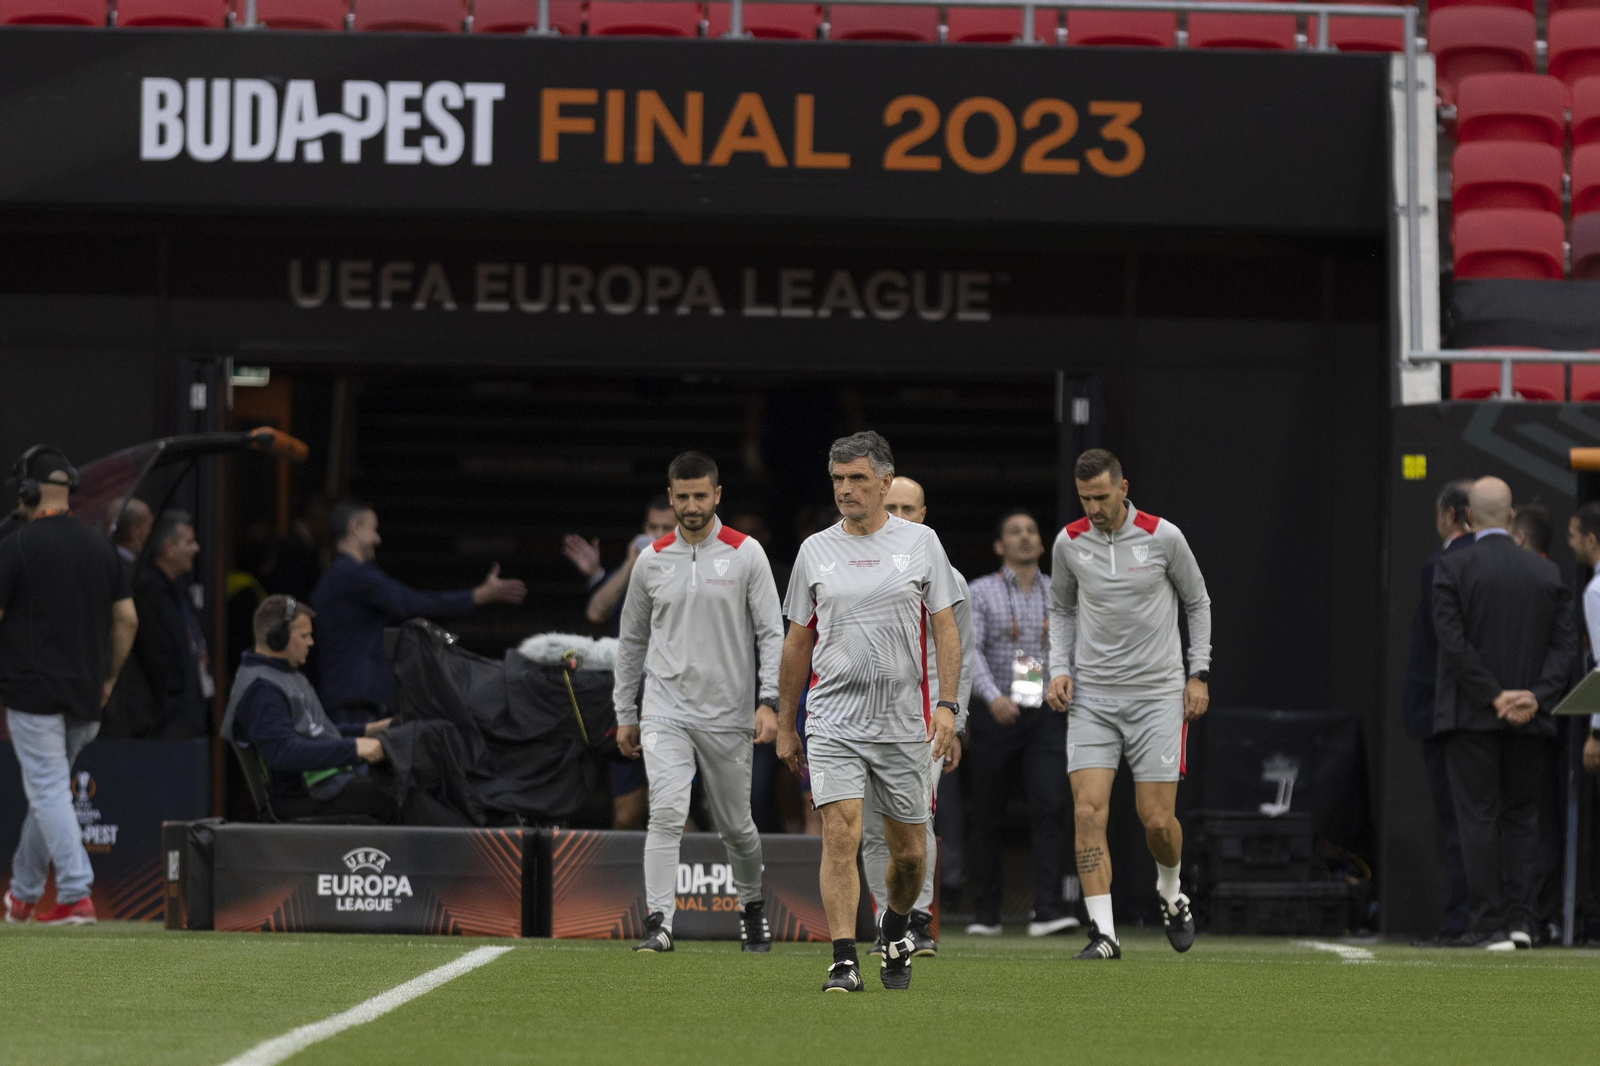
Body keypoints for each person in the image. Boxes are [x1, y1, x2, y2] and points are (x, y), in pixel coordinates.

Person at [776, 431, 963, 993]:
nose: (846, 489)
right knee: (840, 833)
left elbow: (946, 629)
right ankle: (842, 958)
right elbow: (795, 643)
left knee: (910, 857)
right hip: (833, 717)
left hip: (902, 721)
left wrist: (949, 706)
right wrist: (786, 723)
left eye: (857, 478)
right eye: (838, 479)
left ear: (885, 481)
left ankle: (898, 925)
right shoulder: (814, 550)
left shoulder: (923, 542)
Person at [612, 451, 785, 954]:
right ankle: (659, 923)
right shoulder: (651, 559)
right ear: (670, 497)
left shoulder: (746, 552)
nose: (691, 505)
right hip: (665, 710)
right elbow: (631, 642)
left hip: (729, 714)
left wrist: (768, 701)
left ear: (717, 495)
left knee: (737, 827)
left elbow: (772, 633)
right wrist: (626, 712)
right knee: (665, 812)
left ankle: (751, 905)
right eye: (682, 496)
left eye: (700, 495)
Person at [1046, 448, 1212, 961]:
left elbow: (1197, 601)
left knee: (1157, 822)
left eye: (1100, 496)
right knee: (1088, 812)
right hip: (1093, 699)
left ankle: (1170, 892)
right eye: (1084, 498)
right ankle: (1104, 933)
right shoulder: (1069, 543)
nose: (1093, 507)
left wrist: (1197, 673)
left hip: (1158, 697)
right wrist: (1058, 669)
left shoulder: (1164, 536)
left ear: (1122, 487)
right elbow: (1061, 608)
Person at [1432, 477, 1578, 950]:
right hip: (1531, 718)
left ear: (1469, 518)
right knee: (1522, 818)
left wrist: (1493, 696)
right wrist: (1536, 696)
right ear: (1511, 516)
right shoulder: (1547, 573)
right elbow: (1566, 648)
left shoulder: (1451, 567)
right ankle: (1521, 922)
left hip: (1471, 715)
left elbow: (1453, 645)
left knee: (1477, 817)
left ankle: (1487, 923)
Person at [0, 446, 137, 926]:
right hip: (86, 693)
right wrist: (109, 678)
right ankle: (22, 896)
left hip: (32, 692)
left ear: (28, 492)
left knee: (48, 793)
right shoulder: (104, 547)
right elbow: (127, 618)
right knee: (51, 793)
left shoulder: (15, 546)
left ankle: (77, 893)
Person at [222, 595, 470, 826]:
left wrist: (372, 729)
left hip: (321, 784)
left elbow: (316, 732)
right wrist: (355, 748)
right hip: (301, 796)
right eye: (304, 635)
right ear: (277, 637)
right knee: (397, 794)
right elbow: (284, 752)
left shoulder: (281, 675)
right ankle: (472, 851)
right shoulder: (263, 691)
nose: (311, 642)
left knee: (407, 778)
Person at [859, 476, 973, 959]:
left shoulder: (948, 576)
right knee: (866, 826)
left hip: (924, 719)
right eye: (892, 507)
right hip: (860, 714)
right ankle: (888, 920)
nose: (901, 516)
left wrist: (956, 721)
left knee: (916, 816)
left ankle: (918, 919)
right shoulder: (856, 568)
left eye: (909, 508)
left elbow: (959, 654)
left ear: (923, 515)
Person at [310, 499, 526, 723]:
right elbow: (410, 602)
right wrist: (478, 595)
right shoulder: (354, 575)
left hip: (347, 694)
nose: (378, 539)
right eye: (373, 530)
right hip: (356, 700)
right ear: (355, 528)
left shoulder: (338, 576)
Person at [966, 508, 1078, 938]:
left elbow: (1071, 648)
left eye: (1032, 531)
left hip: (1045, 714)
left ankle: (1047, 910)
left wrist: (1063, 690)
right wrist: (992, 698)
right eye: (1015, 531)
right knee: (988, 813)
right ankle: (986, 914)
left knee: (1050, 806)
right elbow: (970, 651)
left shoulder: (1061, 592)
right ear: (999, 546)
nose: (1026, 537)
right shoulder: (981, 592)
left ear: (1043, 543)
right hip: (996, 711)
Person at [563, 496, 676, 830]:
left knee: (677, 813)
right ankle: (622, 883)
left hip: (676, 709)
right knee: (627, 815)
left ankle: (693, 882)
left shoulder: (695, 572)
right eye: (651, 527)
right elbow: (596, 611)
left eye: (666, 528)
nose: (656, 535)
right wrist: (629, 565)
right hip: (630, 710)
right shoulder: (631, 574)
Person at [1400, 480, 1476, 945]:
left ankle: (1460, 921)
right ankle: (1488, 918)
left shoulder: (1441, 564)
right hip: (1483, 710)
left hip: (1445, 713)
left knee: (1456, 821)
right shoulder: (1487, 561)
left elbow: (1443, 646)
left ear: (1450, 515)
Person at [138, 510, 213, 738]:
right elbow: (155, 651)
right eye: (189, 542)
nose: (196, 548)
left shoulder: (180, 587)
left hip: (193, 706)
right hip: (168, 714)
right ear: (168, 547)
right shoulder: (148, 589)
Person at [102, 498, 162, 739]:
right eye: (149, 524)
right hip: (129, 697)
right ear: (135, 529)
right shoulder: (134, 576)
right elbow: (143, 635)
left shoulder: (95, 566)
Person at [1572, 503, 1600, 777]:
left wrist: (1597, 732)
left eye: (1573, 535)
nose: (1570, 543)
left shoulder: (1595, 591)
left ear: (1590, 540)